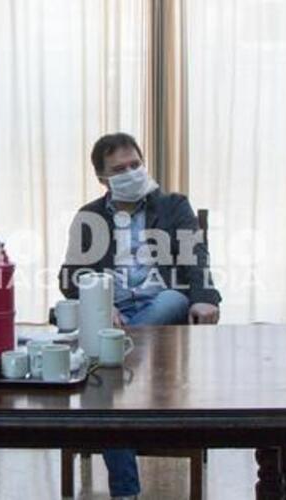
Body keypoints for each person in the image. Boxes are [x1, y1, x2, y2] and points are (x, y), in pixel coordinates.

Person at [58, 133, 221, 500]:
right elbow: (68, 276)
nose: (131, 172)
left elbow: (196, 259)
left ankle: (118, 358)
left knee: (169, 303)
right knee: (110, 386)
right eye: (119, 169)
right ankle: (125, 492)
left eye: (135, 164)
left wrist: (205, 298)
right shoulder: (89, 216)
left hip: (160, 304)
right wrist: (101, 305)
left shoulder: (174, 205)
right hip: (112, 313)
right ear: (102, 178)